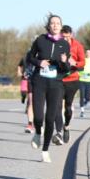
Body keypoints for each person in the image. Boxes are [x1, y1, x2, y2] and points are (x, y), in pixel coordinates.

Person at [26, 14, 73, 162]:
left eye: (58, 23)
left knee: (50, 118)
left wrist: (65, 62)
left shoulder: (65, 44)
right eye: (52, 23)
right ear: (48, 26)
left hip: (56, 84)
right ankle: (38, 132)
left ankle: (45, 150)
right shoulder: (40, 40)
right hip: (39, 81)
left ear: (61, 26)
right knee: (39, 116)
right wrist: (39, 63)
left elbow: (66, 69)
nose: (55, 25)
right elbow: (30, 57)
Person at [57, 25, 86, 143]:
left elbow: (83, 62)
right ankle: (58, 131)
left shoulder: (77, 46)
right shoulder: (57, 45)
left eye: (67, 37)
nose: (65, 40)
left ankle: (66, 126)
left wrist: (75, 63)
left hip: (72, 79)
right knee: (56, 106)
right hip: (58, 79)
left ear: (71, 35)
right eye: (63, 37)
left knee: (68, 107)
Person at [16, 56, 34, 133]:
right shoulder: (24, 58)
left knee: (31, 100)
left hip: (33, 80)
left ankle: (28, 104)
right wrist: (19, 72)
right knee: (23, 92)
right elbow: (19, 65)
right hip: (24, 78)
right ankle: (23, 97)